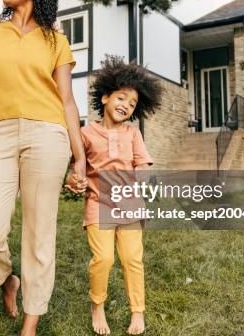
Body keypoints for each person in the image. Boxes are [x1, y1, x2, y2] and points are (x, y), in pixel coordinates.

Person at [0, 0, 87, 336]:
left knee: (39, 233)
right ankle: (7, 281)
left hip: (47, 135)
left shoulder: (55, 41)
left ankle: (31, 322)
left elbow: (67, 101)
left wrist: (79, 156)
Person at [65, 56, 162, 335]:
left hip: (130, 205)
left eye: (132, 104)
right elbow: (76, 168)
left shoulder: (133, 134)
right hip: (99, 204)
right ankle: (98, 305)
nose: (126, 106)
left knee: (133, 259)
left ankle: (137, 312)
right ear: (105, 97)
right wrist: (75, 179)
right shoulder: (85, 133)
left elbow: (142, 163)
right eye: (121, 98)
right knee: (104, 259)